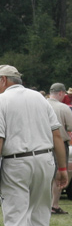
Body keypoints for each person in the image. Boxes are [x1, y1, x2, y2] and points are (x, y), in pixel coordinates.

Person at [0, 64, 68, 226]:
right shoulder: (39, 98)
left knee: (16, 218)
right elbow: (57, 136)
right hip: (44, 159)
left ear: (4, 80)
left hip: (16, 161)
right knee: (40, 215)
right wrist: (62, 168)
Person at [45, 83, 72, 214]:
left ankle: (43, 204)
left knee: (45, 175)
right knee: (59, 175)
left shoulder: (42, 104)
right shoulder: (63, 108)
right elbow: (70, 126)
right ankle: (54, 205)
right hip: (60, 144)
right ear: (61, 93)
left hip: (42, 144)